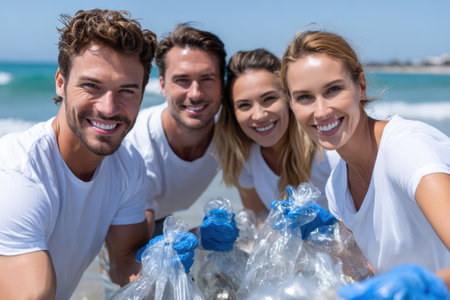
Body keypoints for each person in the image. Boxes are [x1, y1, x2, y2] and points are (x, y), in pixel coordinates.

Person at [0, 9, 158, 299]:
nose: (109, 108)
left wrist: (160, 265)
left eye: (126, 91)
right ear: (61, 82)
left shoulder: (129, 165)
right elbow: (34, 294)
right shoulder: (17, 173)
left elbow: (123, 264)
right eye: (92, 86)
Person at [280, 30, 450, 298]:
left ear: (360, 86)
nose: (321, 111)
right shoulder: (337, 186)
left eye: (333, 89)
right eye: (304, 97)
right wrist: (321, 245)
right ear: (291, 104)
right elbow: (371, 272)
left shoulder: (406, 149)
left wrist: (429, 285)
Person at [100, 23, 226, 298]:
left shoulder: (232, 131)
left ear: (222, 82)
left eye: (207, 78)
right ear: (162, 84)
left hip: (164, 217)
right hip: (117, 224)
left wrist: (201, 236)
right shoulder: (137, 150)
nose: (195, 93)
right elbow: (125, 266)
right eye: (182, 80)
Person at [199, 49, 340, 252]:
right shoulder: (244, 159)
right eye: (244, 105)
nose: (258, 115)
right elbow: (260, 222)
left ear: (289, 98)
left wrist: (331, 230)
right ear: (233, 113)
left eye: (268, 99)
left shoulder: (327, 152)